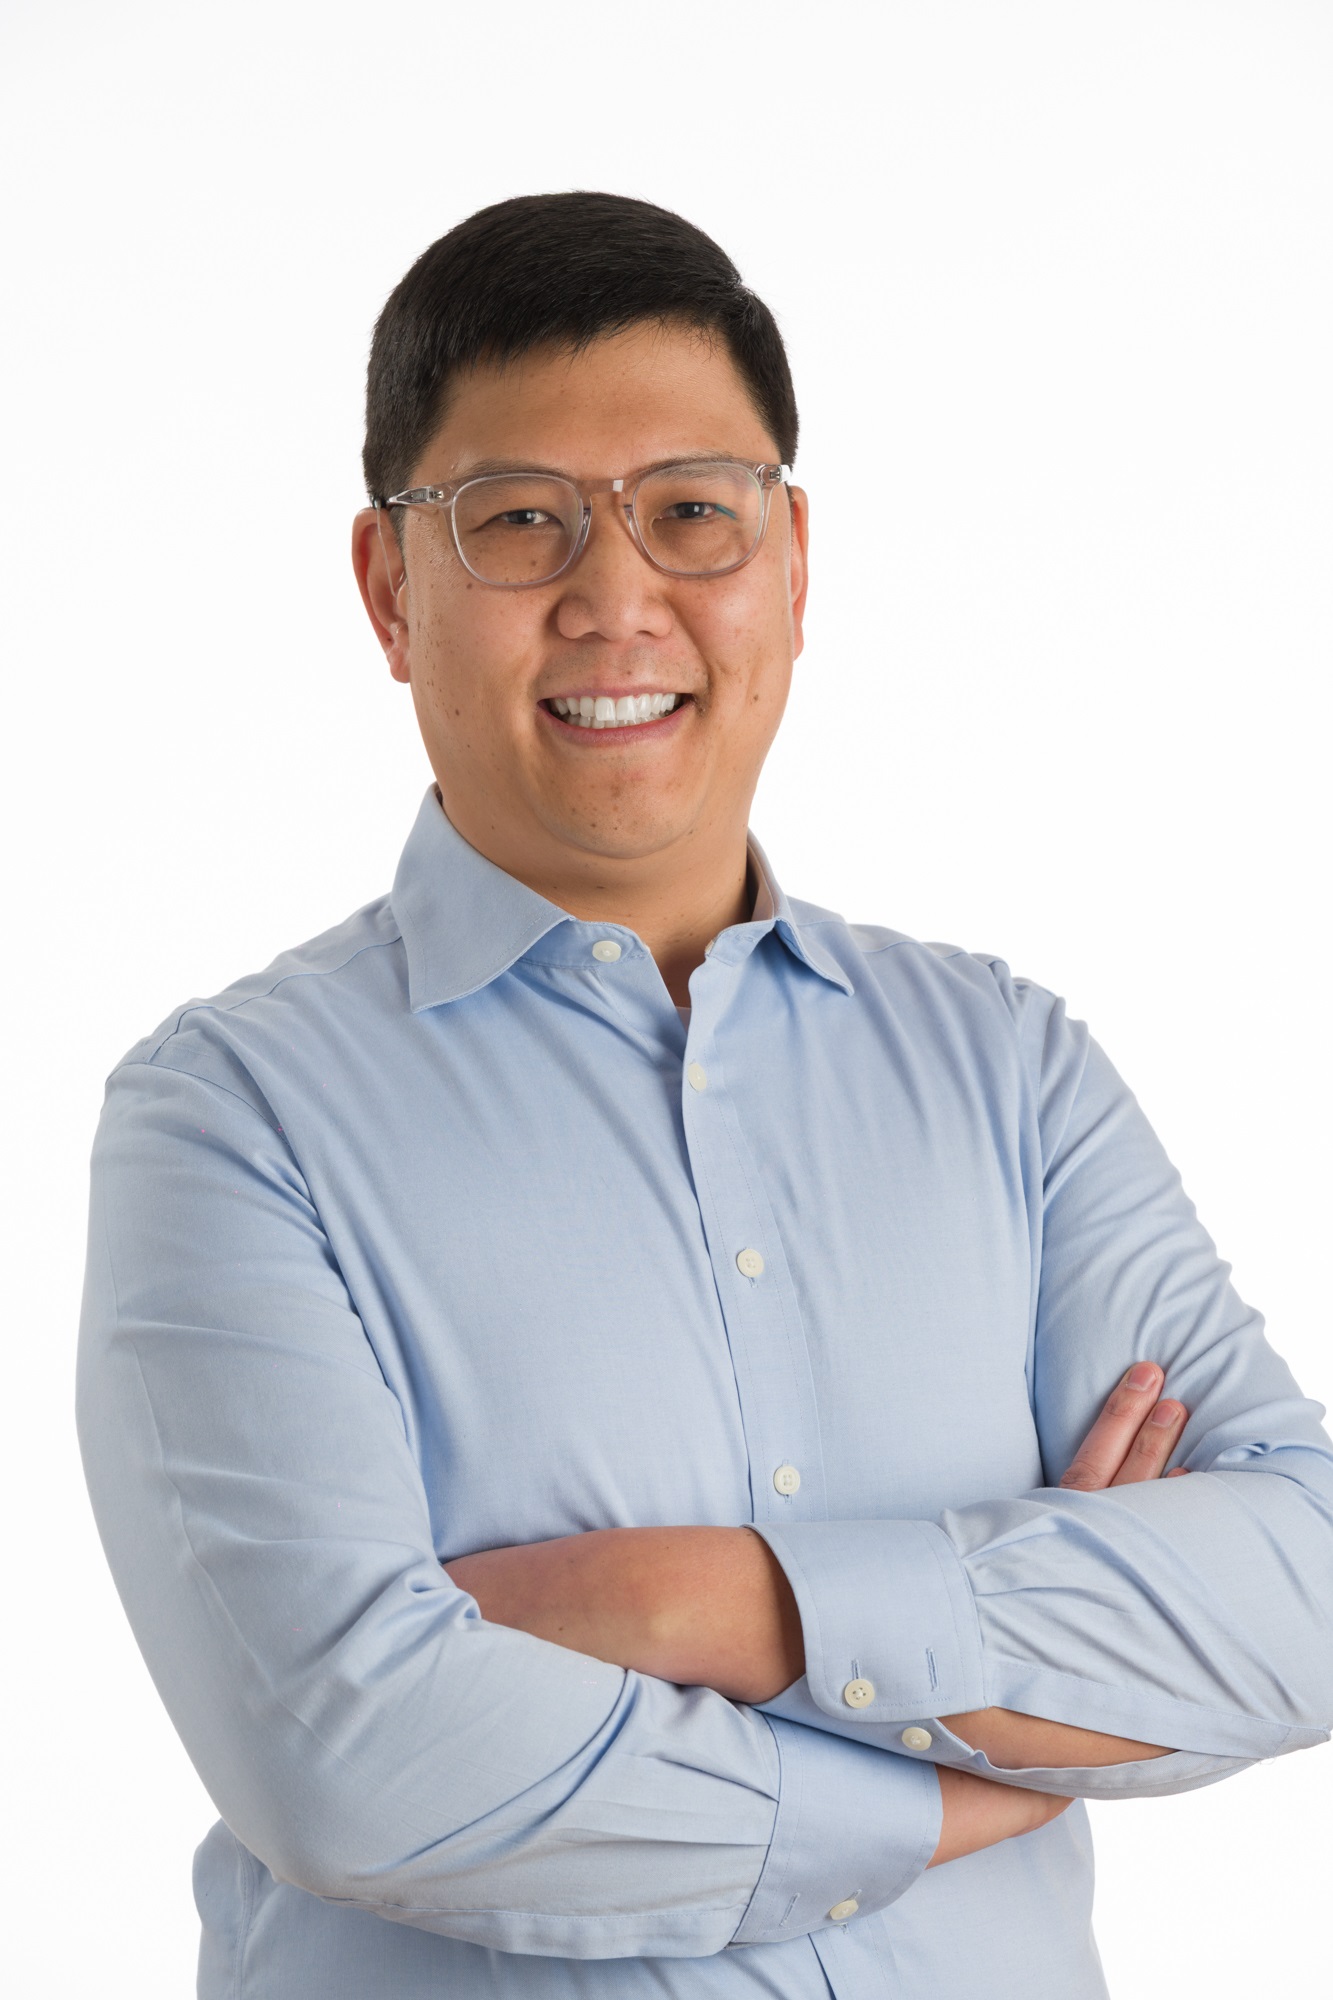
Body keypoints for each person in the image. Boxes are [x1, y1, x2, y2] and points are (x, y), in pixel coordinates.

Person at [76, 192, 1333, 2000]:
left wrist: (706, 1607)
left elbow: (1294, 1593)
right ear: (388, 589)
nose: (614, 600)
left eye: (690, 514)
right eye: (517, 523)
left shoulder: (1005, 1068)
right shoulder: (230, 1119)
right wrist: (975, 1745)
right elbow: (353, 1762)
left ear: (792, 563)